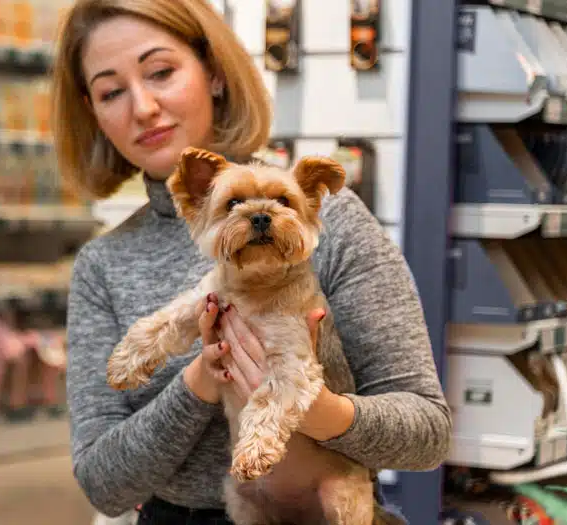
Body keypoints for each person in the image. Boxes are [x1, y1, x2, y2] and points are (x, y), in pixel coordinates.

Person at [52, 0, 452, 523]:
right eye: (111, 92)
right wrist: (201, 378)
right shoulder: (102, 265)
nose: (143, 106)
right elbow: (104, 485)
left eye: (161, 72)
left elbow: (426, 432)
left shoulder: (329, 221)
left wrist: (320, 412)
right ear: (94, 112)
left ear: (214, 74)